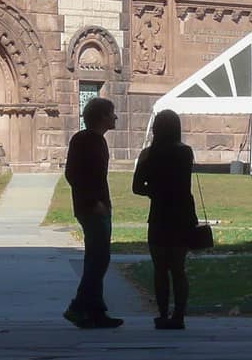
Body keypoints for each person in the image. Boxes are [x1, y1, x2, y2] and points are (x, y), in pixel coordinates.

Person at [132, 108, 196, 330]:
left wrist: (154, 191)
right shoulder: (186, 152)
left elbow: (137, 187)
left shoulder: (148, 154)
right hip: (182, 214)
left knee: (160, 269)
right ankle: (179, 316)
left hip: (159, 214)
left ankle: (162, 314)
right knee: (178, 268)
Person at [63, 96, 123, 329]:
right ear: (102, 117)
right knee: (99, 259)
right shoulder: (89, 141)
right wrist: (94, 201)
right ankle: (78, 307)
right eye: (112, 113)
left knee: (97, 258)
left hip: (94, 206)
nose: (115, 117)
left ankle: (96, 311)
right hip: (93, 208)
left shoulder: (90, 140)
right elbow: (74, 175)